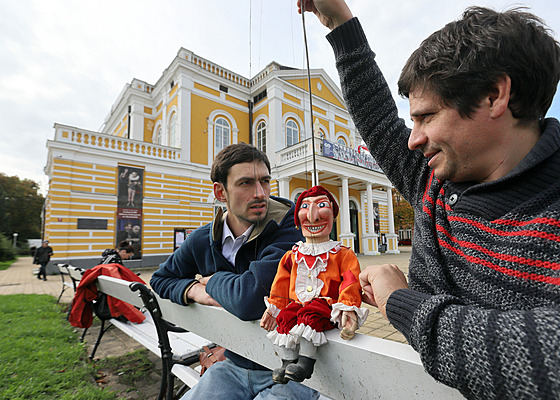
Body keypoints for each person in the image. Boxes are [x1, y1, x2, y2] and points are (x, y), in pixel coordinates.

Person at [299, 1, 560, 398]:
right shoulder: (434, 180)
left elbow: (545, 359)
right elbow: (378, 118)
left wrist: (400, 302)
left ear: (494, 95)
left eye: (426, 117)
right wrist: (339, 21)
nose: (412, 138)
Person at [150, 143, 319, 400]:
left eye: (265, 181)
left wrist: (213, 280)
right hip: (236, 362)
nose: (260, 193)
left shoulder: (290, 226)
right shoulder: (204, 238)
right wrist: (194, 290)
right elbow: (160, 279)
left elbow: (251, 299)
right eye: (246, 183)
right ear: (220, 192)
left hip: (296, 371)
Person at [261, 185, 368, 384]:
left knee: (309, 315)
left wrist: (348, 308)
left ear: (333, 217)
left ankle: (305, 362)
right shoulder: (291, 255)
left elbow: (350, 281)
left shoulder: (342, 254)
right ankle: (287, 362)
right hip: (297, 305)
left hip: (324, 306)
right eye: (305, 207)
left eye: (321, 206)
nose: (313, 216)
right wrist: (274, 309)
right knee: (286, 317)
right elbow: (281, 284)